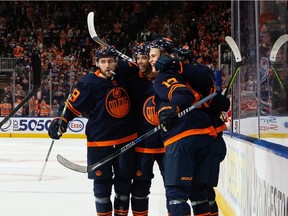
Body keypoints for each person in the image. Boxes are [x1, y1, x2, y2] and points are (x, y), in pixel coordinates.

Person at [48, 45, 139, 216]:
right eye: (103, 62)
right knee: (102, 186)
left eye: (110, 61)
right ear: (97, 63)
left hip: (127, 139)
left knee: (124, 184)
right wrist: (60, 122)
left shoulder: (124, 73)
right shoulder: (88, 83)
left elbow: (140, 65)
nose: (107, 65)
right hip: (100, 142)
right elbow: (71, 105)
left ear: (116, 62)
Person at [156, 49, 230, 215]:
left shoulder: (166, 77)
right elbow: (215, 99)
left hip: (183, 137)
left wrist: (171, 108)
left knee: (176, 194)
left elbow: (182, 95)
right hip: (211, 138)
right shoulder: (203, 76)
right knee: (202, 191)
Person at [129, 42, 165, 216]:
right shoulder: (134, 83)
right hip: (143, 145)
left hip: (168, 144)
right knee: (140, 189)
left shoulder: (167, 79)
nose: (142, 61)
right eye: (139, 58)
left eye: (146, 57)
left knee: (174, 189)